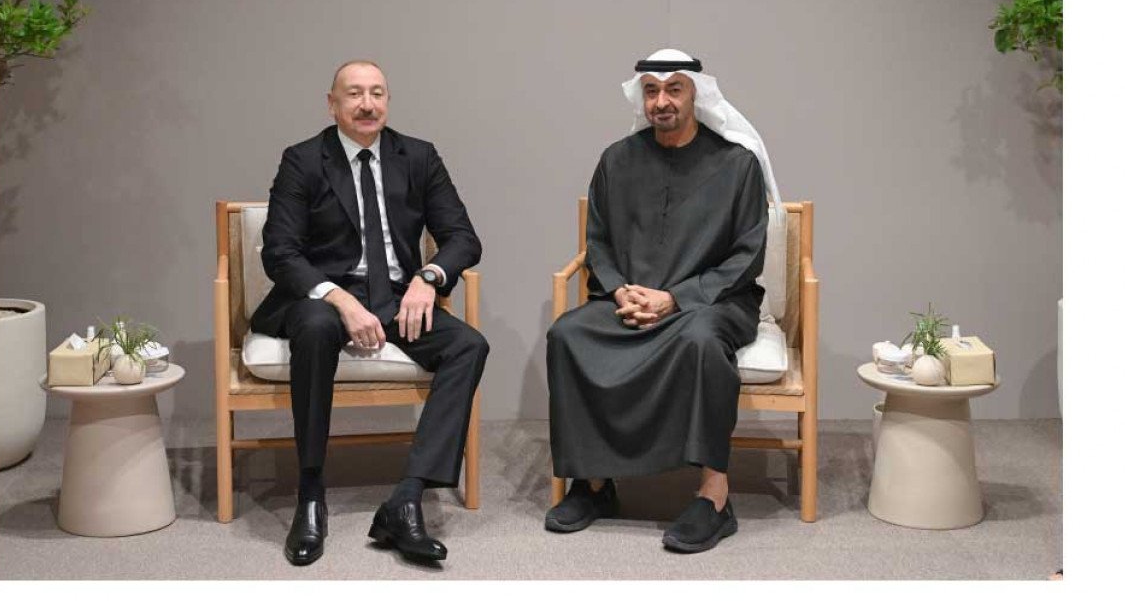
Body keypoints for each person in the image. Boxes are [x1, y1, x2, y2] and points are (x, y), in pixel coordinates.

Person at [544, 48, 784, 553]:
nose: (662, 101)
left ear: (697, 95)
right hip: (629, 298)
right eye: (651, 91)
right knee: (567, 334)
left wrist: (676, 298)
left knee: (701, 342)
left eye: (674, 89)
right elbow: (598, 241)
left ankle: (714, 496)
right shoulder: (616, 160)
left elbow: (747, 256)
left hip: (715, 302)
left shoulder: (736, 164)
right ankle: (593, 484)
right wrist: (619, 289)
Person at [251, 60, 488, 567]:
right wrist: (340, 299)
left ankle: (407, 498)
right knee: (316, 328)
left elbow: (463, 238)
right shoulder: (303, 160)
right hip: (323, 296)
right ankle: (310, 493)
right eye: (354, 93)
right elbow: (280, 251)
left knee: (468, 345)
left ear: (388, 100)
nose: (367, 104)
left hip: (397, 294)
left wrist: (428, 278)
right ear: (332, 103)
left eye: (377, 93)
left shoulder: (418, 156)